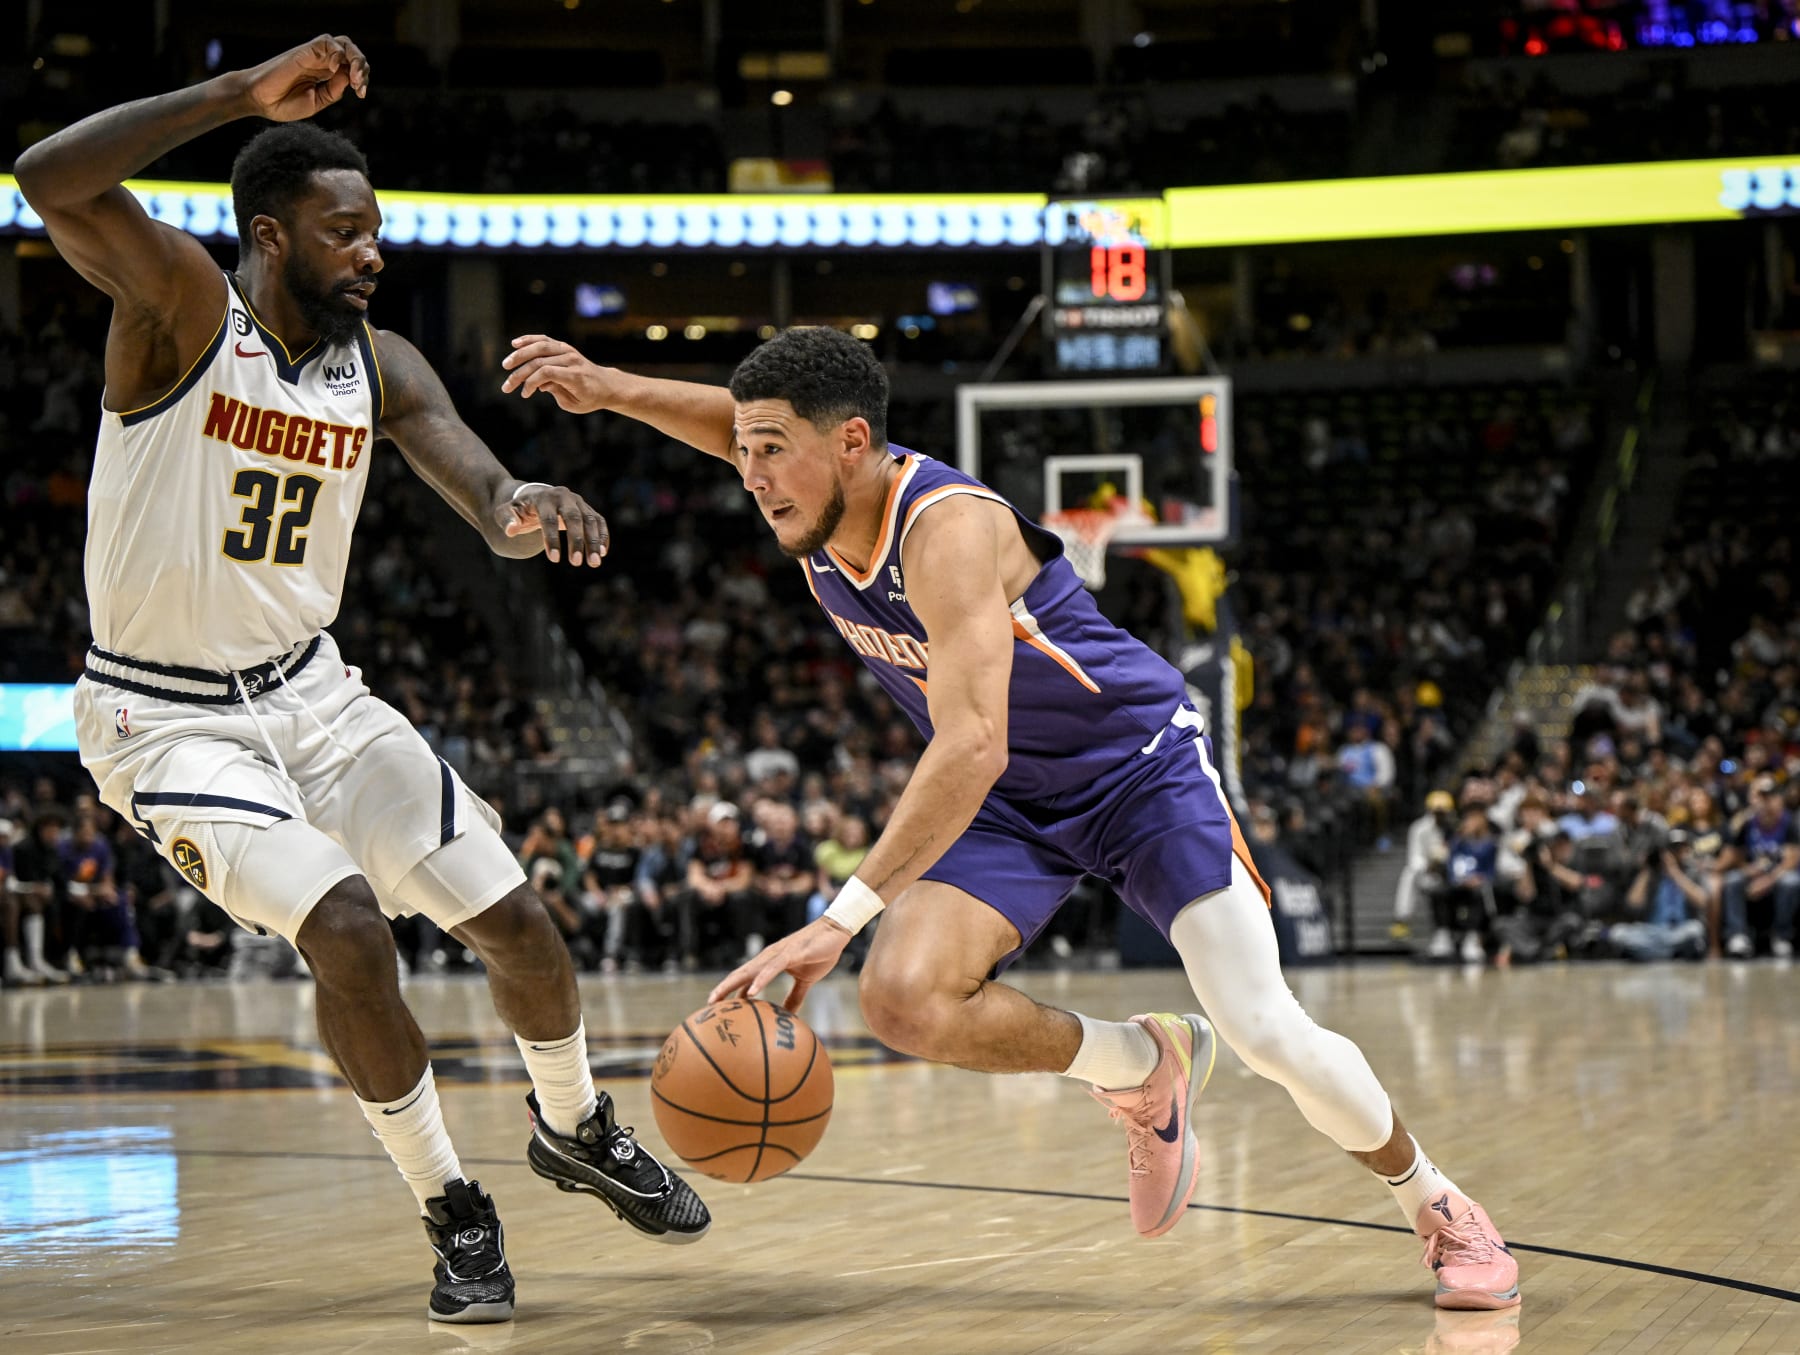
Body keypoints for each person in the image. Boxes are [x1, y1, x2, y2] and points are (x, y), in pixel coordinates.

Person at [500, 324, 1520, 1311]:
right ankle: (1142, 1064)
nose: (750, 472)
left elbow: (973, 742)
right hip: (1013, 805)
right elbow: (728, 418)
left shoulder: (944, 526)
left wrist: (834, 918)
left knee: (1263, 1030)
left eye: (770, 450)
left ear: (851, 441)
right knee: (904, 998)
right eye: (746, 449)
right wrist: (607, 385)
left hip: (1136, 770)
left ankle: (1438, 1201)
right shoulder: (808, 496)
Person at [14, 34, 708, 1324]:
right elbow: (49, 175)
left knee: (520, 924)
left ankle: (575, 1124)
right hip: (163, 716)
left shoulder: (374, 362)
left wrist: (521, 504)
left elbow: (474, 476)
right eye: (345, 234)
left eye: (376, 230)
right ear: (270, 237)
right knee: (344, 927)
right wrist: (233, 96)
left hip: (317, 696)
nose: (373, 251)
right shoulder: (176, 307)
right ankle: (454, 1206)